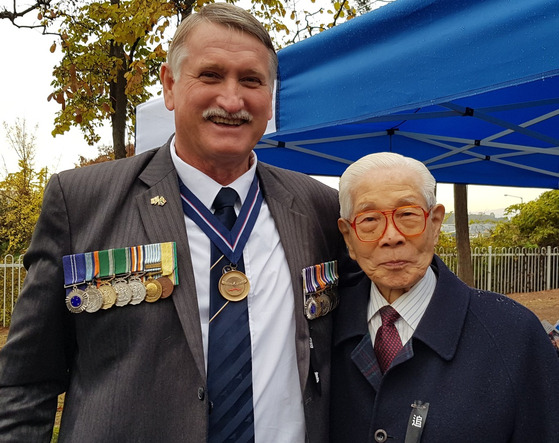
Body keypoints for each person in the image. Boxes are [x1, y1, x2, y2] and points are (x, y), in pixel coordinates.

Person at [0, 4, 351, 442]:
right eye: (210, 75)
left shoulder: (320, 207)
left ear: (271, 96)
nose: (231, 99)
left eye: (251, 80)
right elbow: (25, 383)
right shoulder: (82, 203)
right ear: (169, 85)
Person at [330, 152, 559, 443]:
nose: (391, 236)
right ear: (348, 237)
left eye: (408, 215)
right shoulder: (321, 329)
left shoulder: (514, 334)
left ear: (436, 224)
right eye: (370, 219)